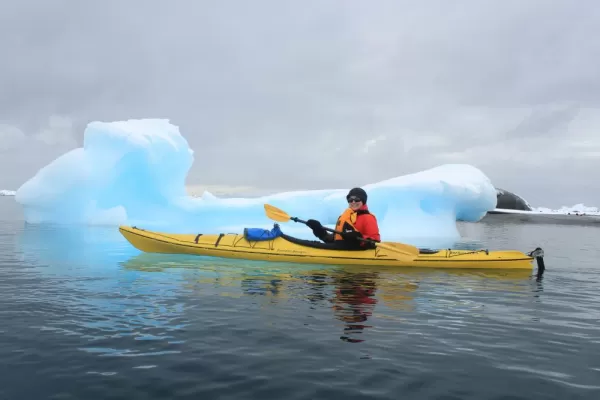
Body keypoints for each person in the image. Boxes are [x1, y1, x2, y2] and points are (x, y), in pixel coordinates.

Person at [305, 187, 381, 249]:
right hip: (341, 248)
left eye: (357, 199)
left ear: (363, 201)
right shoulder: (345, 216)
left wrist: (358, 237)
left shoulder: (368, 218)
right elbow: (335, 239)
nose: (353, 202)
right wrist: (320, 231)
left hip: (357, 251)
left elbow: (375, 242)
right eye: (350, 200)